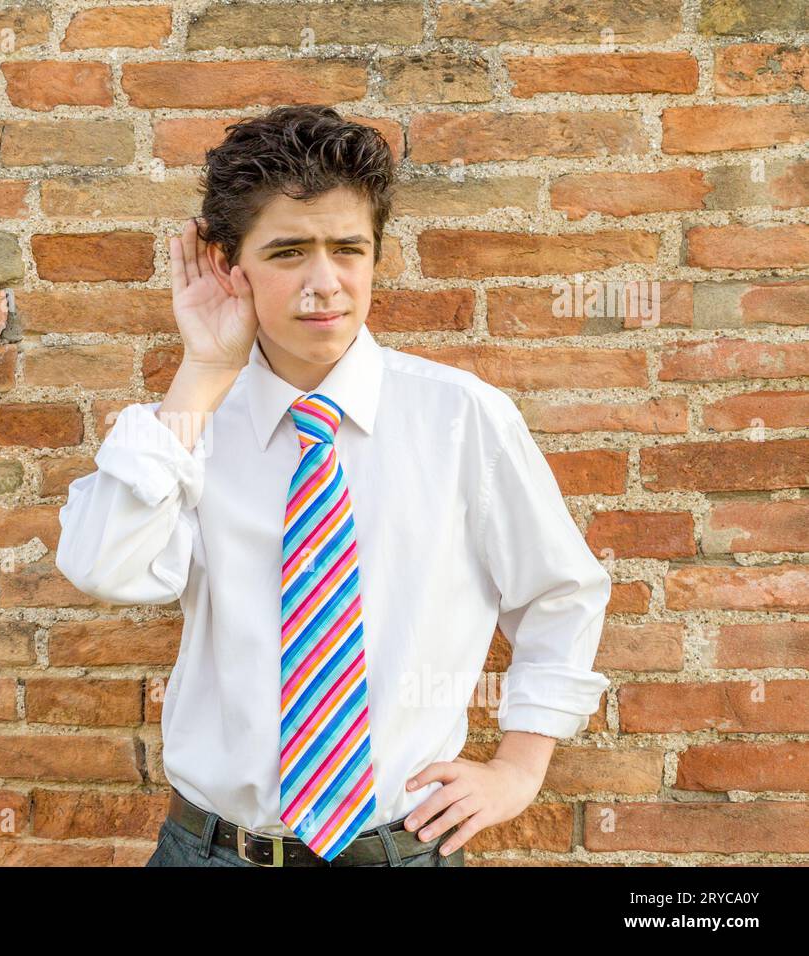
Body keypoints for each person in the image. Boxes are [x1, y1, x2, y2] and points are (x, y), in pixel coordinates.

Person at [56, 105, 612, 867]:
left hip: (398, 852)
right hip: (212, 850)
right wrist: (203, 376)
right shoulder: (186, 431)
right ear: (229, 264)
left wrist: (519, 767)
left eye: (348, 249)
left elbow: (561, 593)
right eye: (288, 251)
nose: (326, 284)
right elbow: (102, 566)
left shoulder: (461, 418)